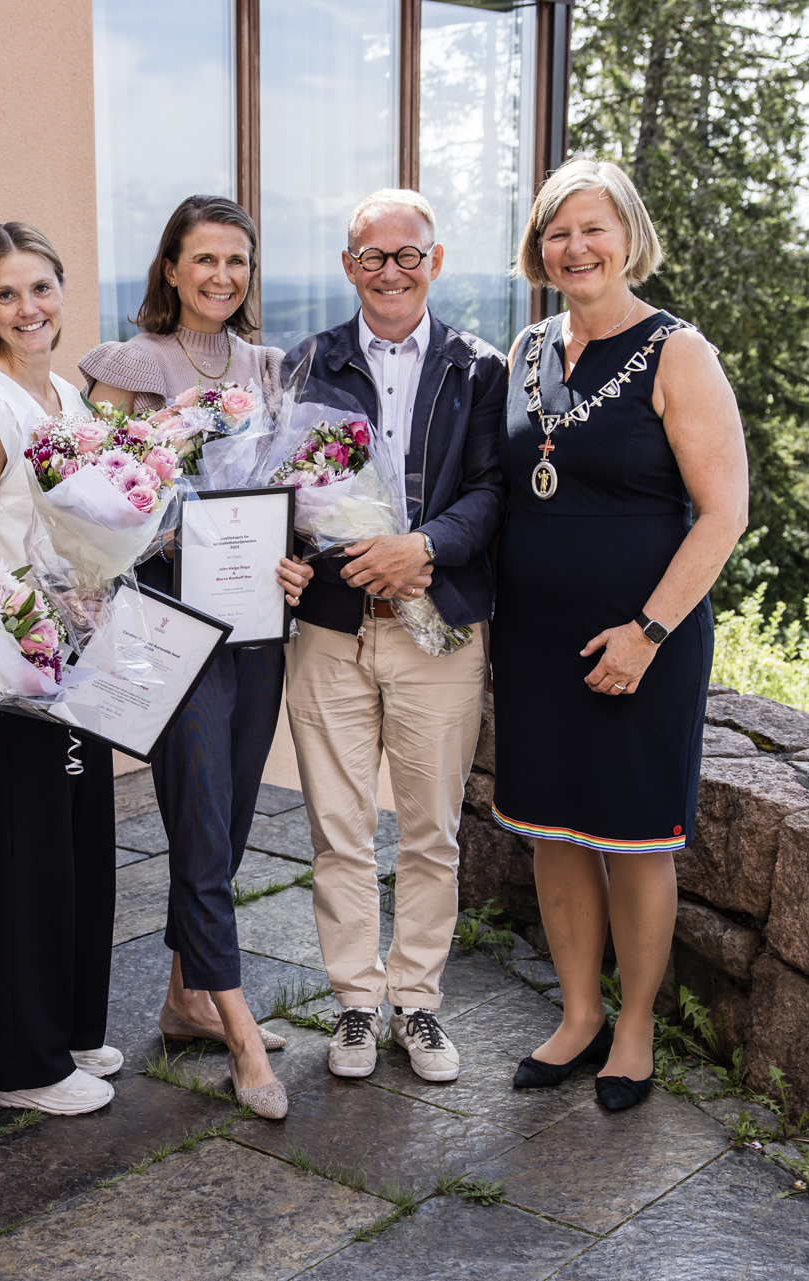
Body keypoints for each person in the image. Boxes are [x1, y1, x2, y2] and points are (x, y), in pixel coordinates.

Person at [494, 156, 747, 1111]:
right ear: (540, 249)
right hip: (533, 641)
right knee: (554, 830)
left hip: (642, 640)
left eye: (593, 228)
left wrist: (645, 632)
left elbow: (723, 514)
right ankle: (577, 1013)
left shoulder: (679, 353)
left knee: (635, 835)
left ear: (629, 236)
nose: (576, 247)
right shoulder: (524, 353)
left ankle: (633, 1027)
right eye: (559, 233)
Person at [273, 190, 505, 1084]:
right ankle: (356, 1005)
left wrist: (426, 548)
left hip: (437, 627)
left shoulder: (477, 369)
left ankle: (416, 1003)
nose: (391, 272)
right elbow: (278, 483)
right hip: (332, 629)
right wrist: (285, 559)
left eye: (409, 256)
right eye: (373, 257)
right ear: (348, 266)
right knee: (337, 830)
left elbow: (492, 491)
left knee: (430, 832)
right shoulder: (307, 365)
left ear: (435, 263)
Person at [80, 195, 291, 1119]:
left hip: (255, 623)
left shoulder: (271, 367)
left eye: (236, 261)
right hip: (169, 625)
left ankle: (184, 1000)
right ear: (170, 267)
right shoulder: (132, 366)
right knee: (200, 823)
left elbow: (297, 488)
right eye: (202, 259)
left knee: (234, 816)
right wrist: (155, 522)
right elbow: (83, 496)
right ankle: (243, 1035)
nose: (220, 277)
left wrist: (297, 547)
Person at [0, 223, 120, 1116]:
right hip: (18, 661)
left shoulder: (62, 395)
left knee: (82, 841)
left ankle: (71, 1026)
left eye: (40, 288)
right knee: (30, 853)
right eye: (6, 294)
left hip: (78, 655)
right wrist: (37, 612)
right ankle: (22, 1061)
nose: (27, 308)